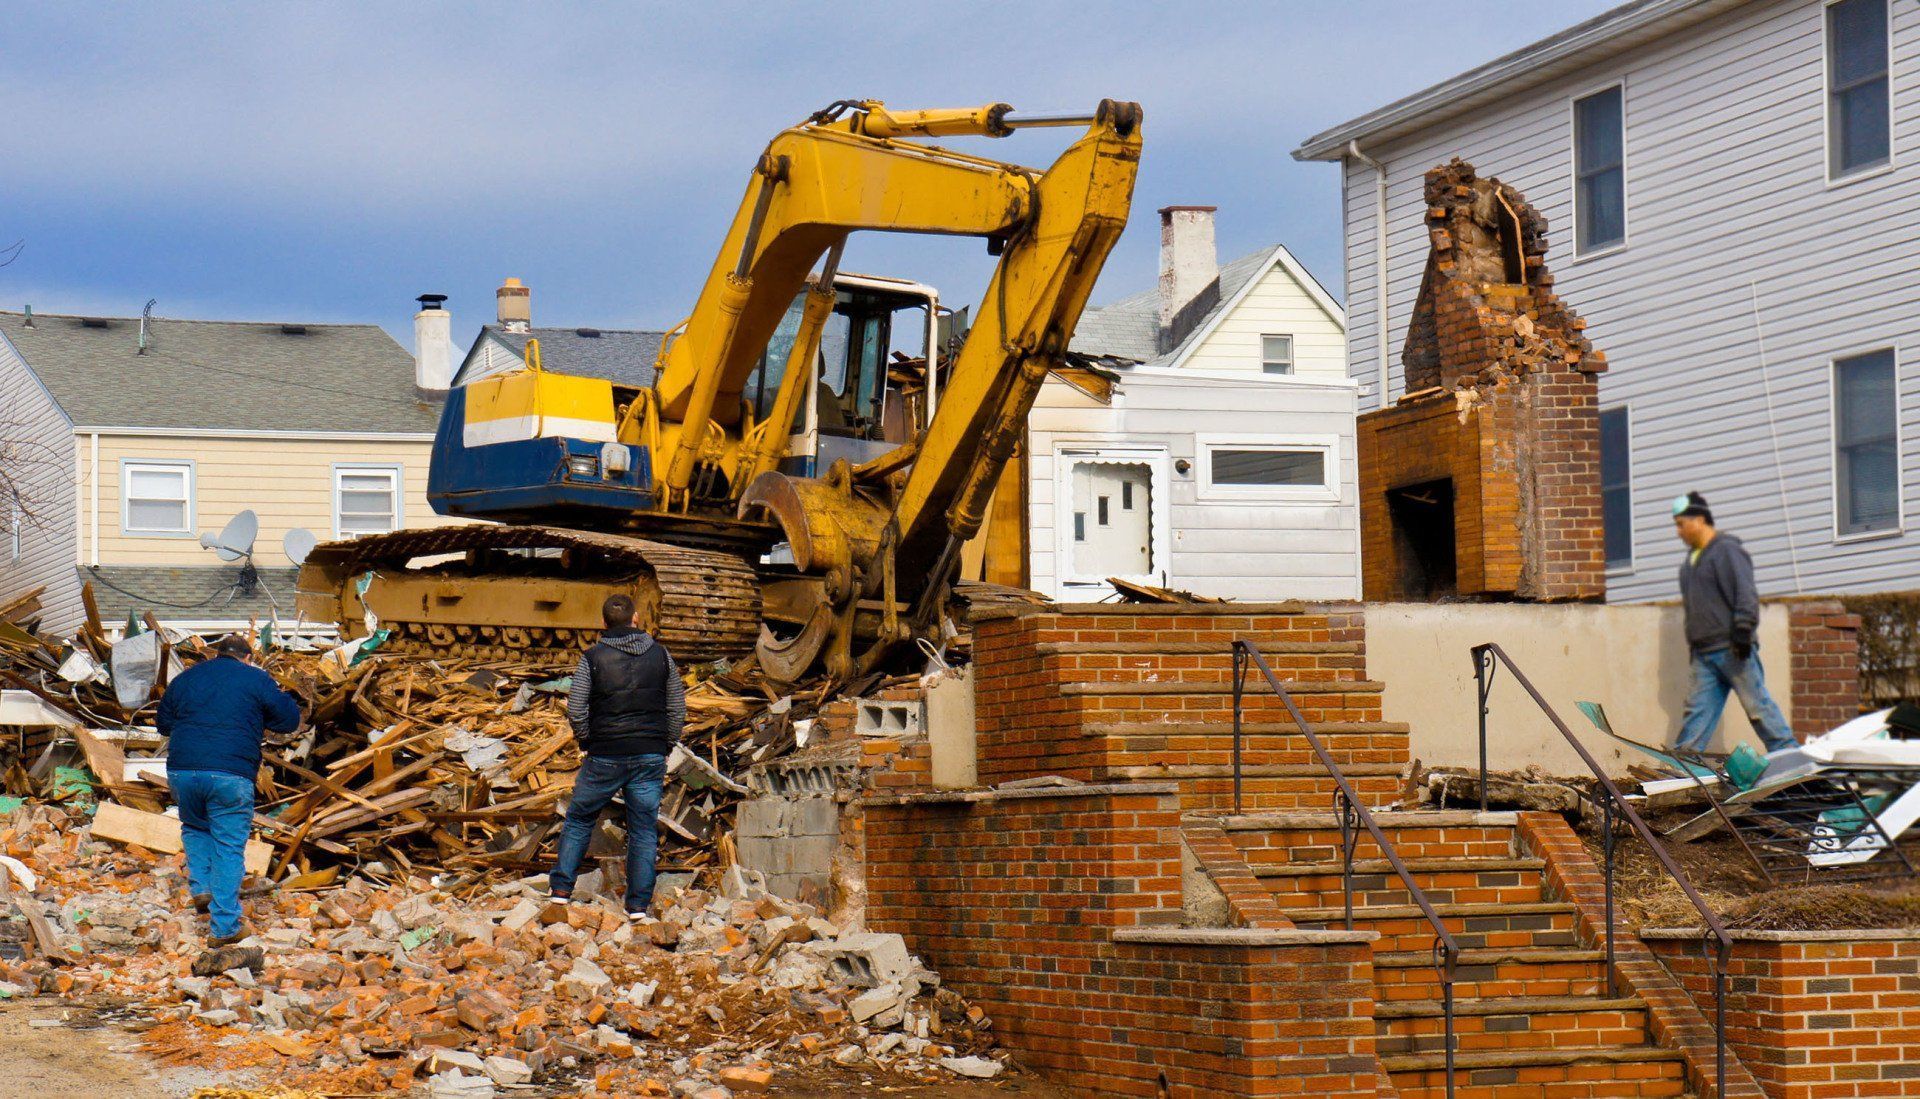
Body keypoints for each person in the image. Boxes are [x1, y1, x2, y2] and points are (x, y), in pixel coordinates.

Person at [156, 633, 302, 944]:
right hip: (230, 773)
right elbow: (289, 721)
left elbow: (164, 723)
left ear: (216, 654)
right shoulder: (256, 679)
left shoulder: (186, 678)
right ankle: (225, 928)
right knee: (228, 844)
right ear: (247, 658)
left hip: (183, 770)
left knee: (195, 828)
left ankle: (202, 888)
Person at [551, 594, 685, 920]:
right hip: (649, 755)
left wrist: (587, 741)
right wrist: (664, 744)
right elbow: (677, 708)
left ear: (603, 624)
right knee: (643, 829)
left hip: (604, 756)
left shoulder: (592, 658)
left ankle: (560, 894)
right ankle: (638, 907)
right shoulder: (662, 656)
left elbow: (577, 708)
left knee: (580, 819)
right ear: (636, 619)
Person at [1671, 492, 1797, 754]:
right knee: (1695, 718)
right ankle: (1684, 772)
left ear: (1700, 519)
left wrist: (1742, 630)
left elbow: (1745, 593)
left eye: (1681, 524)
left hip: (1733, 648)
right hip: (1704, 655)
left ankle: (1792, 759)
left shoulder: (1727, 550)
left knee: (1758, 708)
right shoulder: (1689, 564)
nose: (1678, 532)